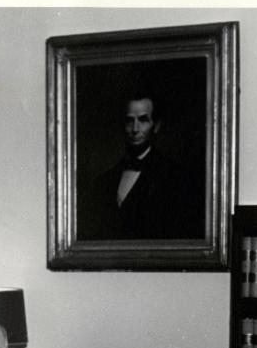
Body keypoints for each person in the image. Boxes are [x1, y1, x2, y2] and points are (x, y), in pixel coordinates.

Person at [78, 93, 202, 240]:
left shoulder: (177, 178)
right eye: (129, 121)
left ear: (156, 126)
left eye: (143, 120)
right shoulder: (104, 181)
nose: (135, 129)